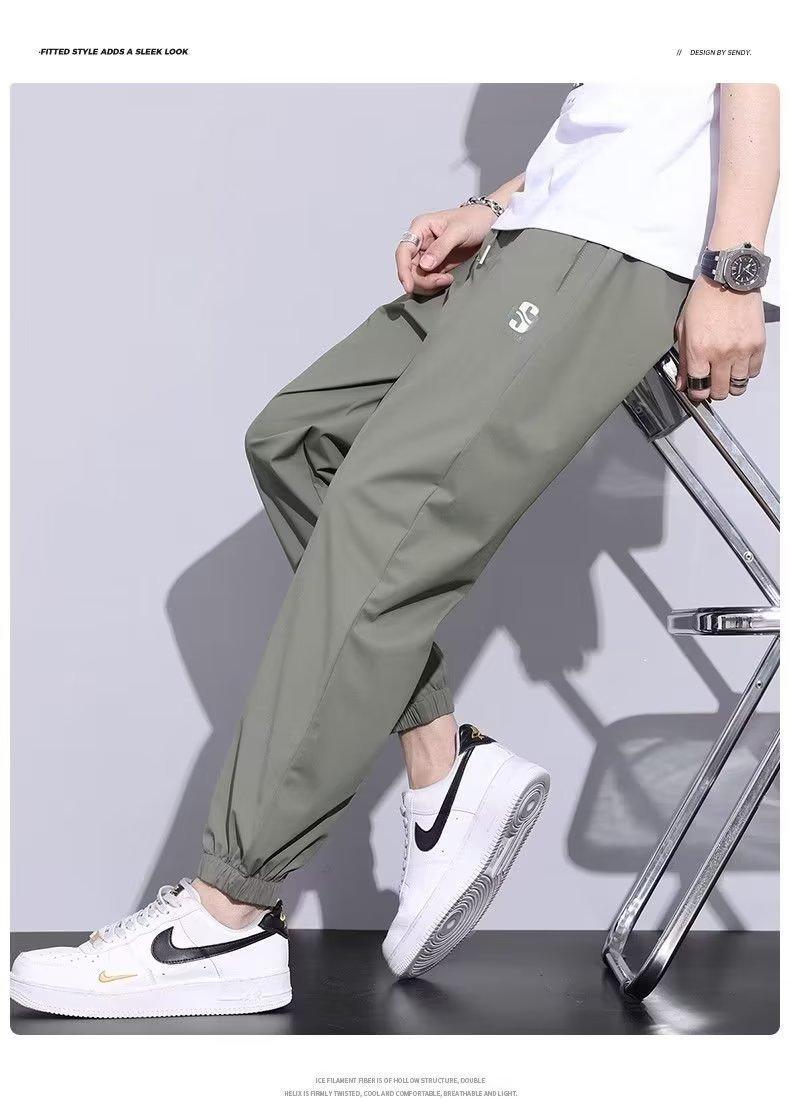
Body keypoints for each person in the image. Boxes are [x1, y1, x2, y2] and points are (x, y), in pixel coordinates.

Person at [11, 83, 779, 1019]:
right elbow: (628, 101)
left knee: (386, 512)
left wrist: (734, 268)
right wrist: (494, 205)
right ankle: (440, 763)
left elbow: (748, 50)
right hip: (552, 224)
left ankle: (225, 919)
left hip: (621, 242)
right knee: (298, 440)